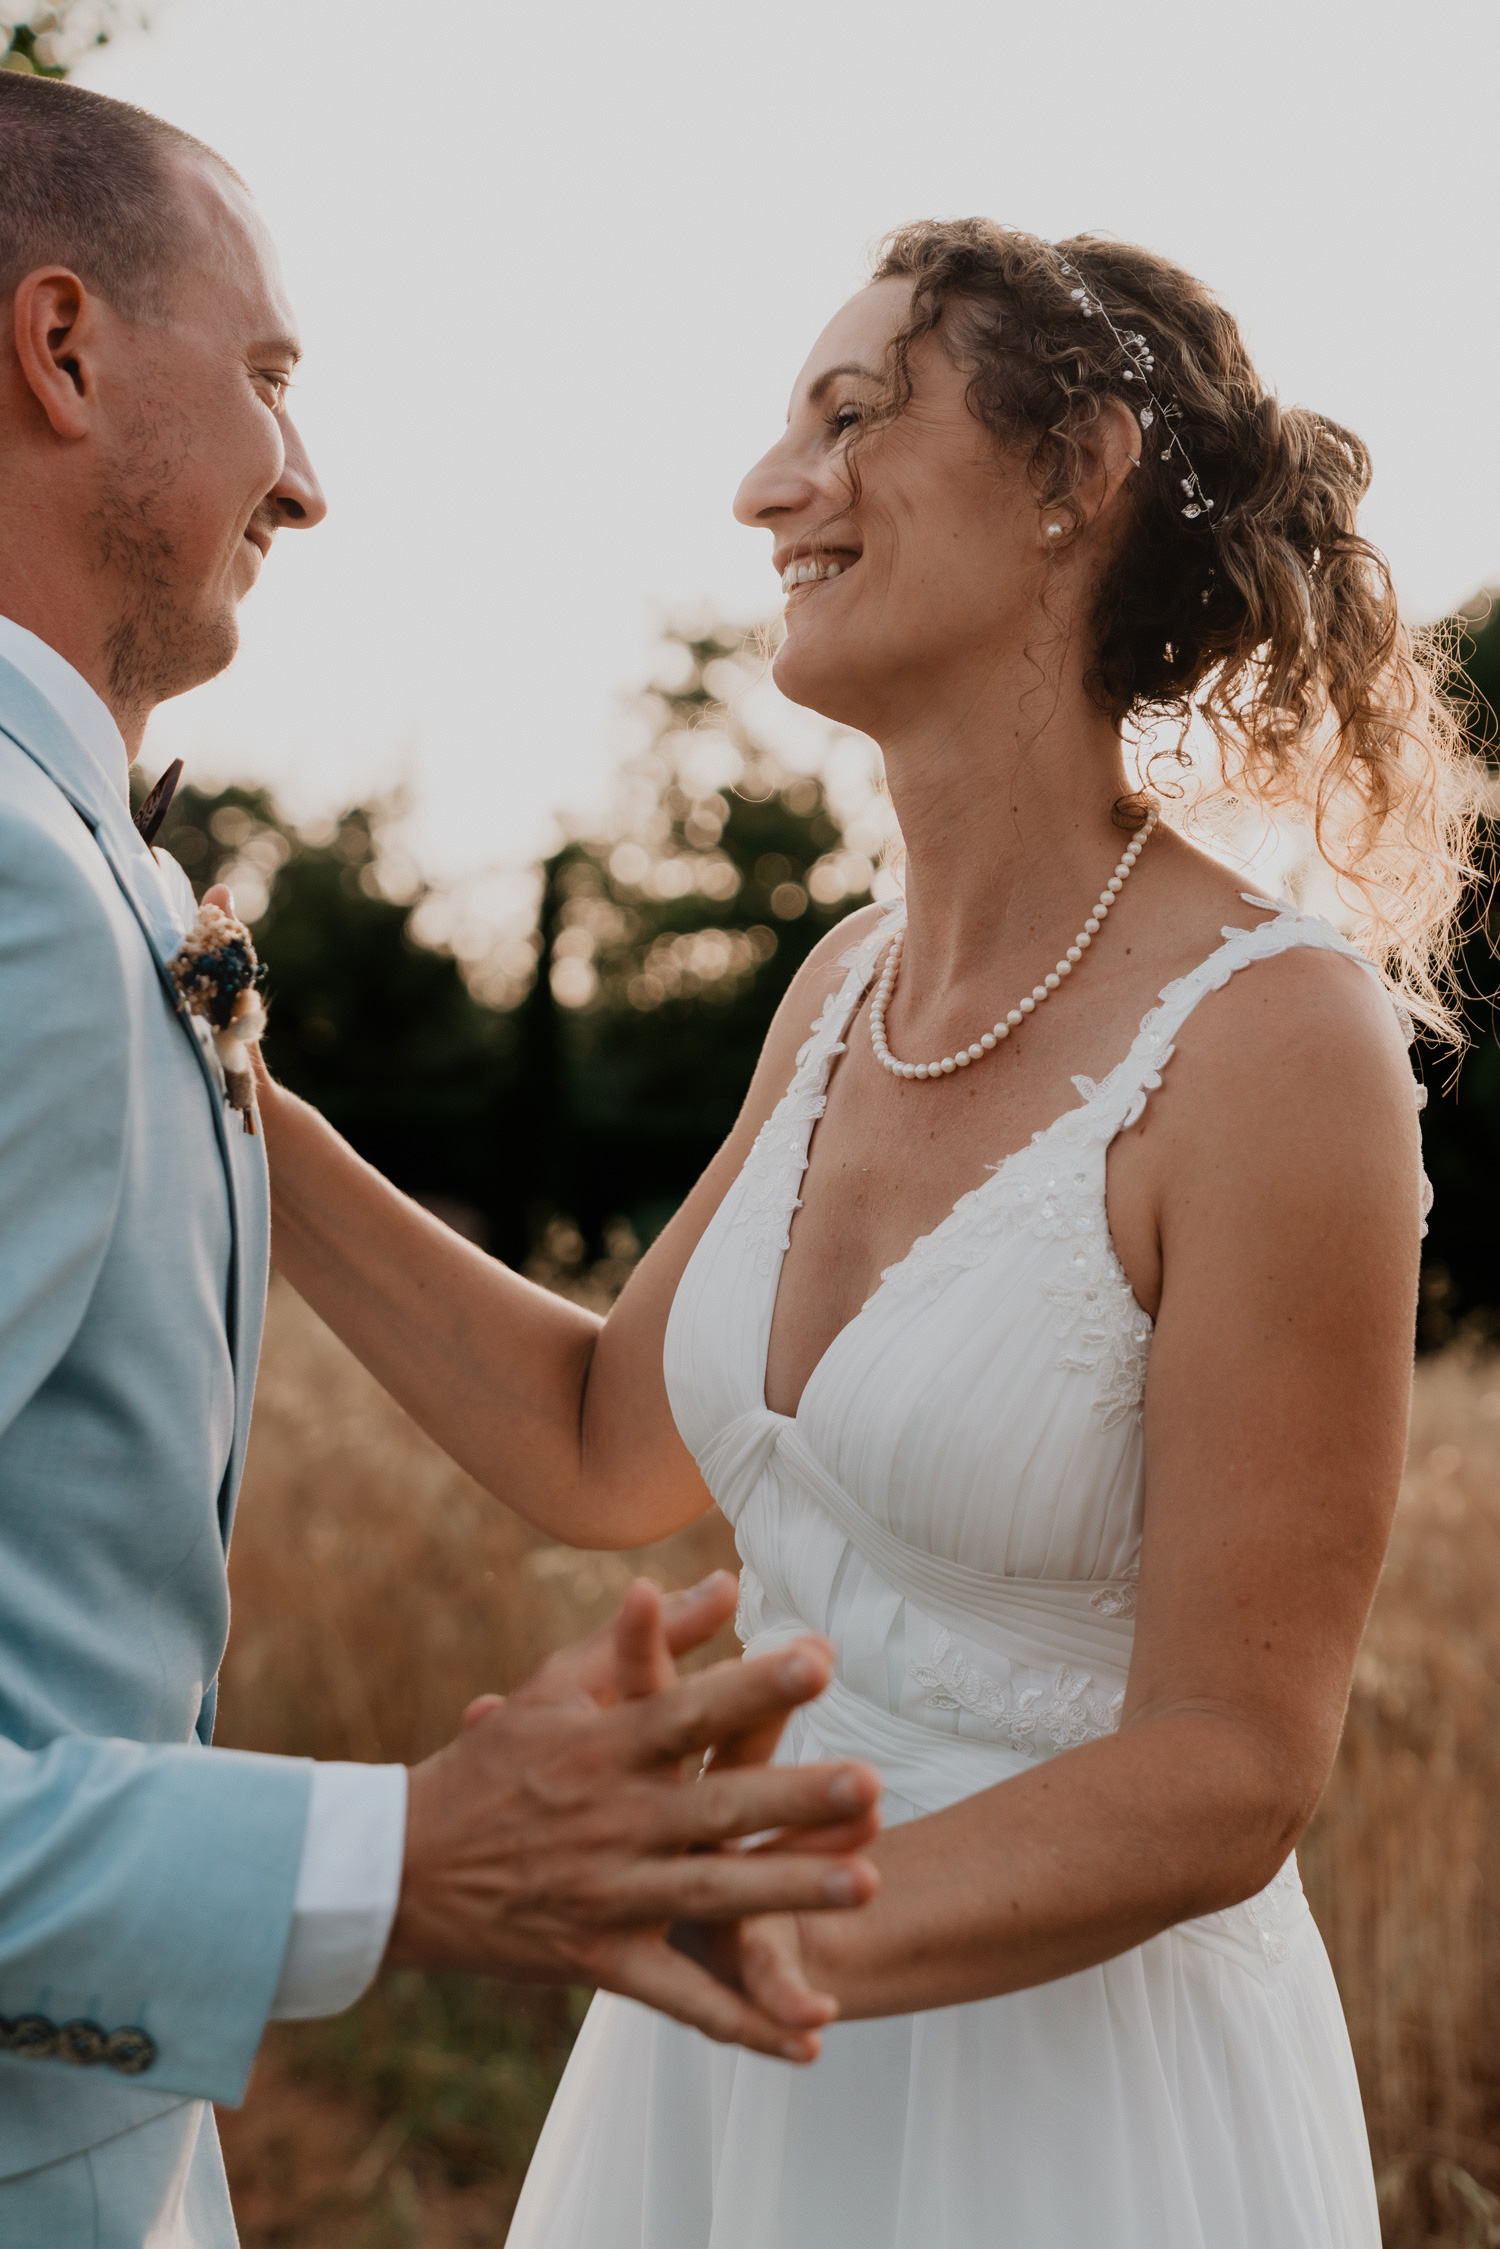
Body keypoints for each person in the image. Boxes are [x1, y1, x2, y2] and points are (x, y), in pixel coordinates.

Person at [259, 216, 1471, 2247]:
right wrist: (242, 1110)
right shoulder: (841, 985)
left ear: (1074, 475)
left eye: (848, 417)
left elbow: (1233, 1762)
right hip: (721, 2063)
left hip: (1058, 2099)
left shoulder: (1274, 1042)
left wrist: (733, 1920)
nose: (765, 488)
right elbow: (598, 1444)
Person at [0, 72, 884, 2248]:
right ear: (65, 348)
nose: (308, 476)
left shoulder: (85, 883)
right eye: (275, 376)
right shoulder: (23, 892)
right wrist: (396, 1856)